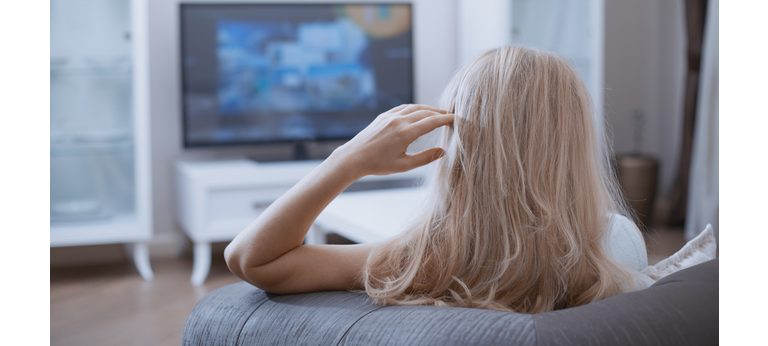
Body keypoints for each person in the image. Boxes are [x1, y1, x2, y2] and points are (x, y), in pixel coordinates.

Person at [225, 45, 643, 314]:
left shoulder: (424, 262)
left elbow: (250, 258)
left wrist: (347, 159)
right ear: (574, 143)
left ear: (461, 144)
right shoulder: (619, 245)